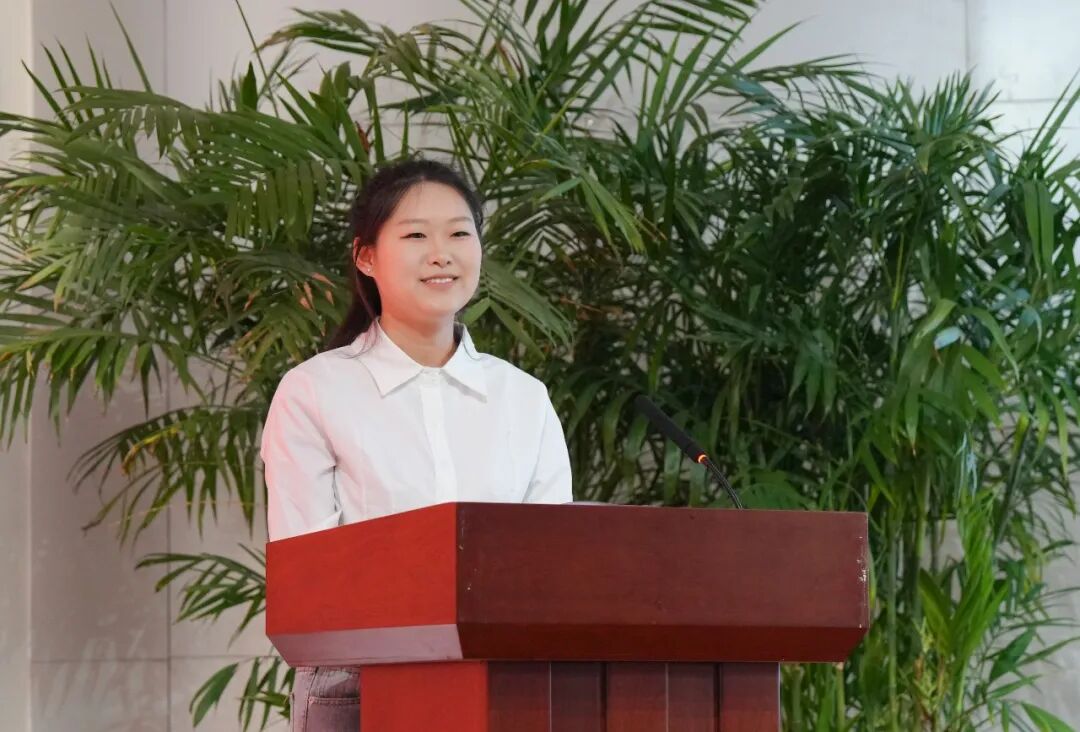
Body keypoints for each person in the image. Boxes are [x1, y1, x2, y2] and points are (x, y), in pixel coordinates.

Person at [258, 158, 574, 731]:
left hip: (509, 685)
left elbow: (552, 563)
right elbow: (308, 570)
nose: (441, 254)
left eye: (459, 234)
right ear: (365, 256)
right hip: (359, 685)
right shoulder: (315, 391)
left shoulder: (523, 397)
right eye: (415, 236)